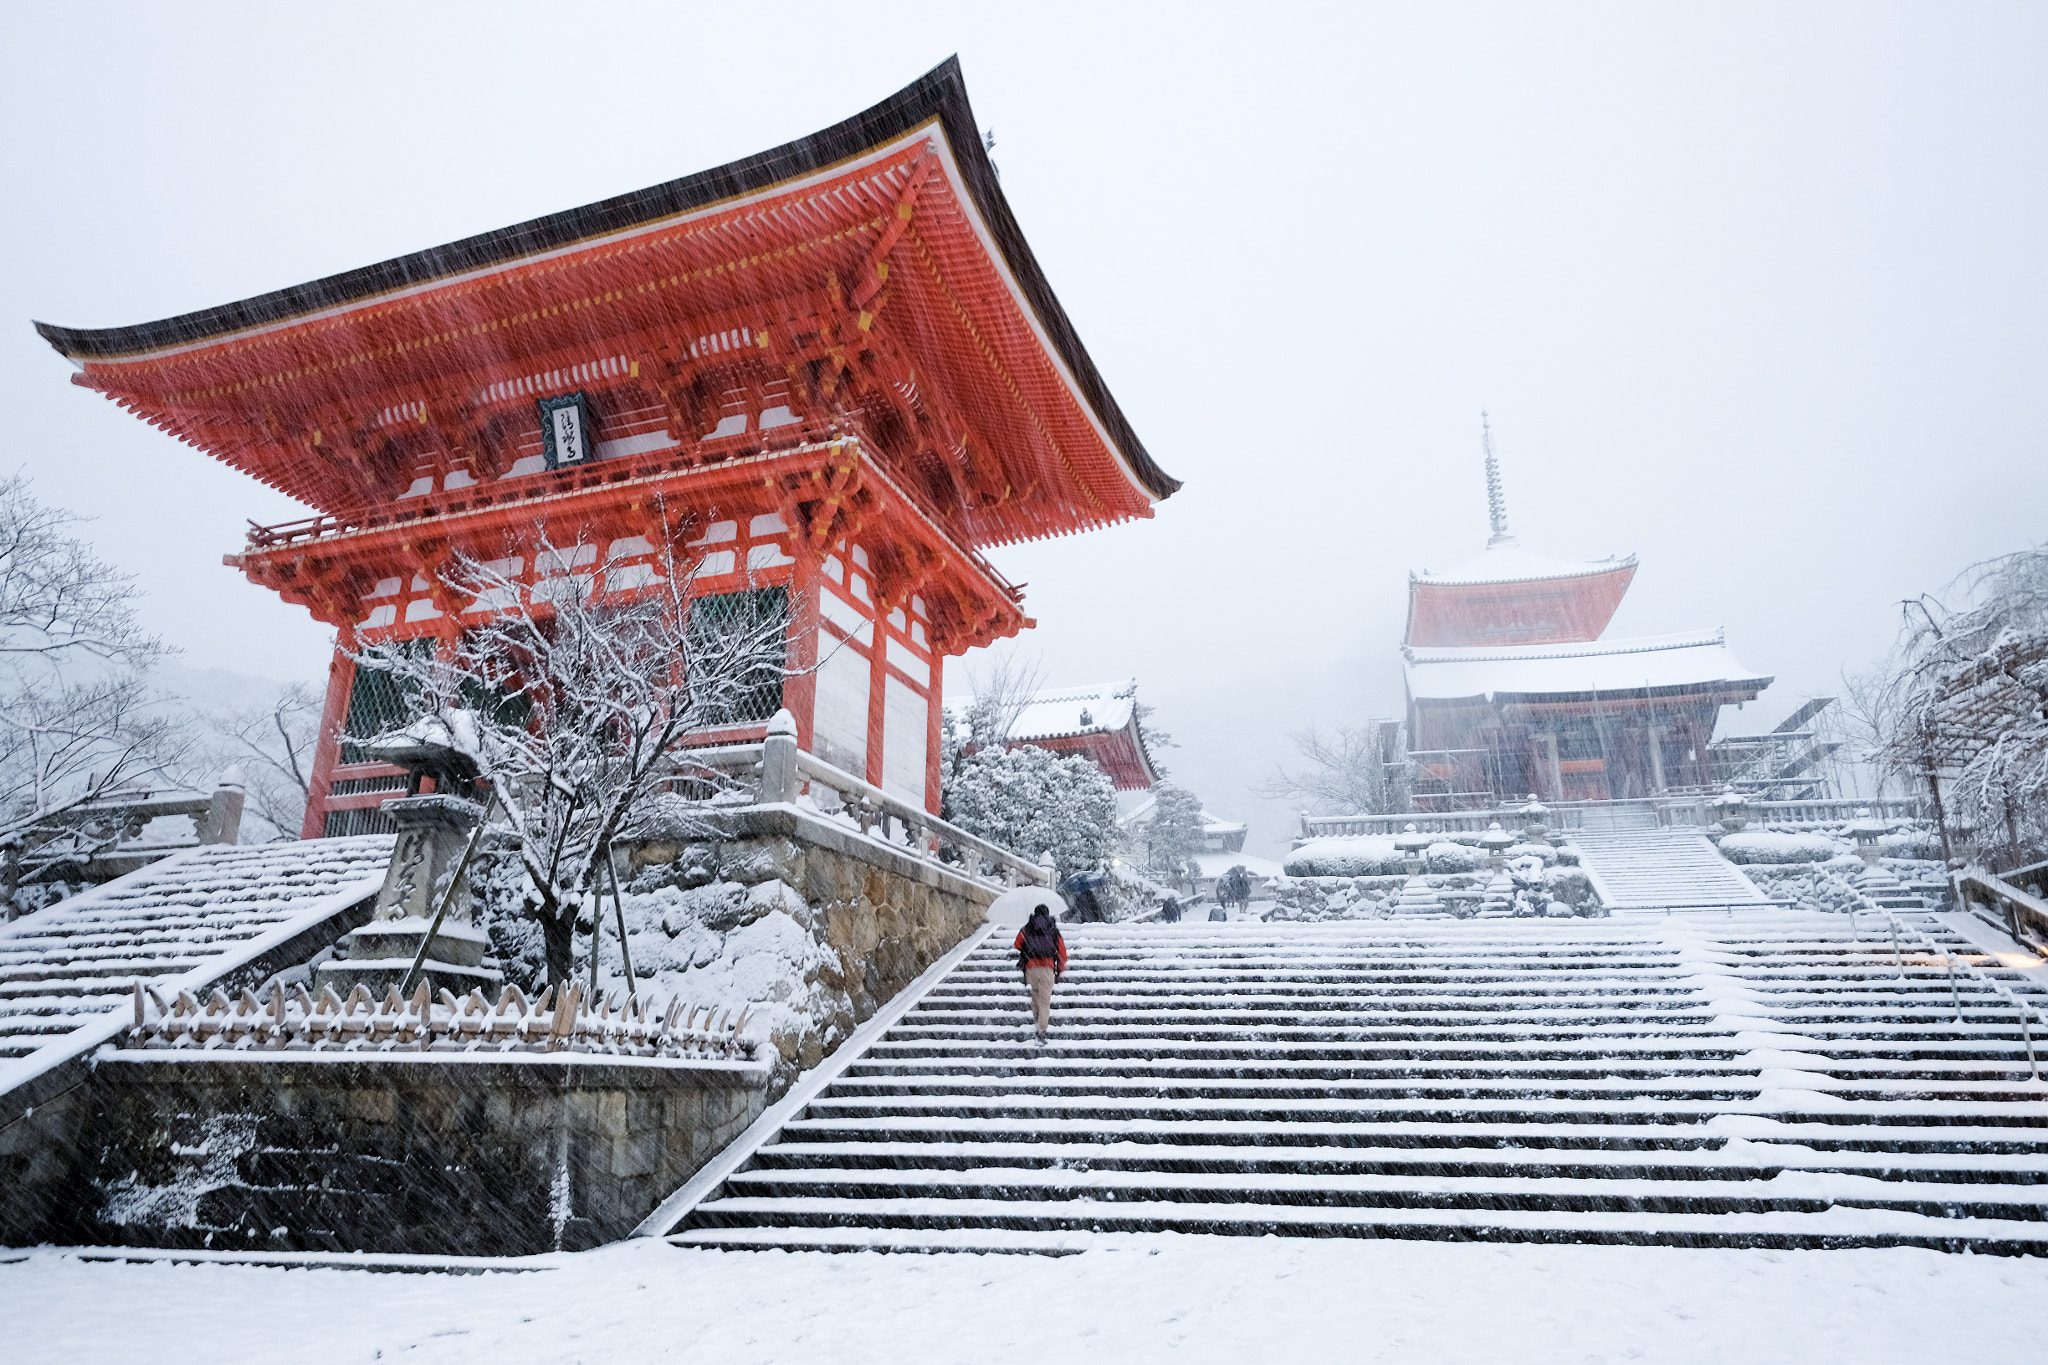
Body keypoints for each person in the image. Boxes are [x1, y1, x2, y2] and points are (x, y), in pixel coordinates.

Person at [1013, 904, 1068, 1043]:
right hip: (1047, 969)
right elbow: (1062, 952)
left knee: (1036, 997)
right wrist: (1060, 969)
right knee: (1044, 1001)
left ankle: (1037, 1018)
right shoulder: (1052, 929)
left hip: (1031, 969)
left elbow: (1017, 944)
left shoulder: (1028, 927)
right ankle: (1041, 1030)